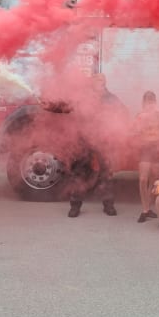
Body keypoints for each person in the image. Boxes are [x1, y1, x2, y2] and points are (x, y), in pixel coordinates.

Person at [67, 73, 128, 218]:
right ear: (92, 82)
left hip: (103, 140)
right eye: (98, 80)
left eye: (103, 80)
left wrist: (114, 129)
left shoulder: (111, 98)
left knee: (106, 173)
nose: (101, 82)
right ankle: (75, 206)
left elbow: (123, 112)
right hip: (85, 139)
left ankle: (108, 205)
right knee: (79, 173)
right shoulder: (84, 97)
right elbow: (68, 108)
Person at [133, 91, 159, 223]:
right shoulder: (140, 115)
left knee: (153, 179)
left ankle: (147, 209)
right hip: (145, 148)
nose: (150, 104)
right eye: (147, 102)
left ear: (155, 103)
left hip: (157, 148)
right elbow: (134, 131)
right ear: (143, 103)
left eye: (152, 102)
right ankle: (144, 208)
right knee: (143, 179)